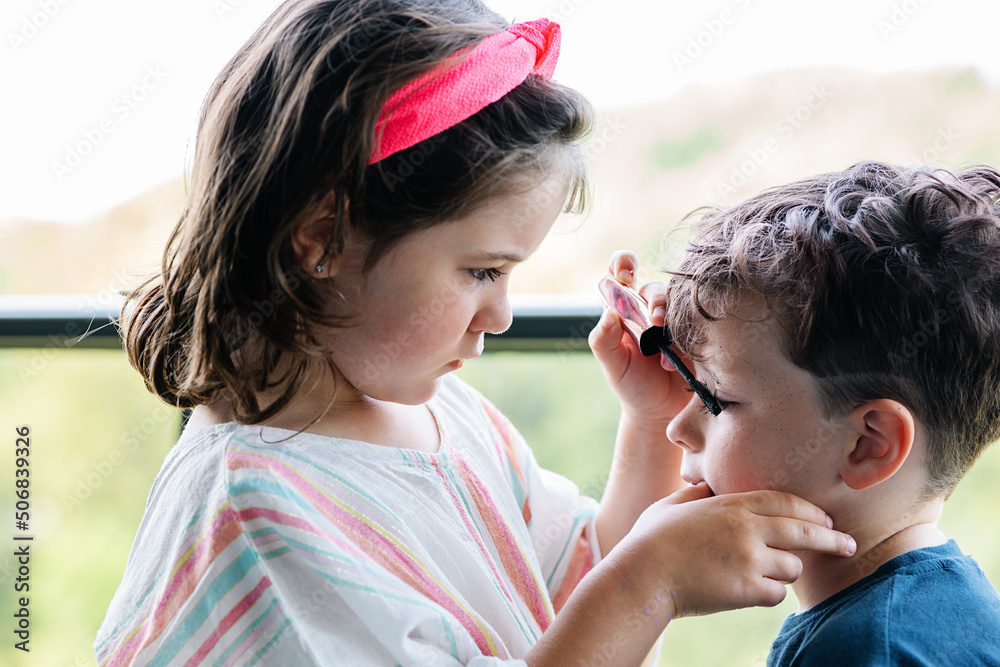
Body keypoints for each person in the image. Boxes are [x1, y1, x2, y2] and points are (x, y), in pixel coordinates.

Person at [95, 1, 856, 664]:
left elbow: (575, 610)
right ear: (321, 237)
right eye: (482, 271)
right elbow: (608, 605)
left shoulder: (443, 416)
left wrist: (652, 425)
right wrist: (646, 580)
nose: (501, 315)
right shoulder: (256, 516)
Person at [658, 161, 1000, 666]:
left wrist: (644, 585)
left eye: (716, 400)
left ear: (868, 445)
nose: (677, 428)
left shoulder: (860, 651)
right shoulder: (944, 610)